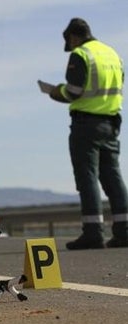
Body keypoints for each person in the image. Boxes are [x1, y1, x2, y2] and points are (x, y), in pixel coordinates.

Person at [46, 18, 128, 249]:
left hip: (86, 125)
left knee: (87, 177)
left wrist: (54, 91)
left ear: (72, 36)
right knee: (113, 176)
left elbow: (73, 92)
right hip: (111, 123)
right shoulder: (112, 54)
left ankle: (93, 233)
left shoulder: (81, 54)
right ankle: (124, 231)